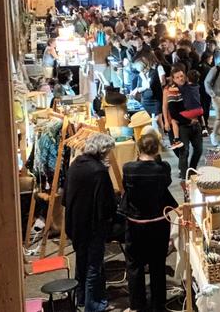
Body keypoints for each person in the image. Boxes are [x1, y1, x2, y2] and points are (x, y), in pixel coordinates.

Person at [120, 132, 177, 312]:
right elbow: (167, 182)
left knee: (134, 264)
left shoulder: (128, 168)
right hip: (158, 222)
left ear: (138, 148)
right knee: (157, 264)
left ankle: (137, 305)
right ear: (157, 148)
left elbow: (124, 187)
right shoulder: (163, 168)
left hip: (135, 223)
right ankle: (158, 304)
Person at [64, 133, 117, 312]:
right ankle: (93, 305)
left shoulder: (75, 165)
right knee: (94, 265)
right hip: (93, 226)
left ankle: (81, 298)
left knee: (81, 261)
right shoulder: (99, 171)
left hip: (75, 223)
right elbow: (107, 204)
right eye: (108, 151)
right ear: (102, 150)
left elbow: (65, 197)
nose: (109, 154)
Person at [166, 65, 204, 178]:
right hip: (183, 126)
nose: (180, 79)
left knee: (199, 149)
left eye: (182, 76)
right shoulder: (173, 92)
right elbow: (173, 113)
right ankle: (184, 176)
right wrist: (189, 120)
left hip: (195, 124)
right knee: (184, 152)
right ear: (174, 79)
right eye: (177, 77)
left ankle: (191, 170)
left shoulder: (191, 87)